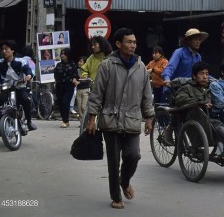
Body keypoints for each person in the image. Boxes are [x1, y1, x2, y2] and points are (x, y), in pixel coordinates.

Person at [86, 28, 154, 210]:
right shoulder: (107, 66)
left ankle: (125, 181)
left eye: (134, 42)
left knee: (134, 155)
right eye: (129, 42)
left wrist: (149, 118)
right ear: (118, 44)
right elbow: (96, 94)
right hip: (110, 119)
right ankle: (116, 197)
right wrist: (91, 119)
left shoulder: (141, 68)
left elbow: (147, 96)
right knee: (114, 161)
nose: (133, 45)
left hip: (132, 119)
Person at [174, 61, 224, 151]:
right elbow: (180, 100)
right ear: (194, 76)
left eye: (207, 74)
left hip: (213, 115)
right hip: (196, 118)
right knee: (216, 123)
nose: (205, 77)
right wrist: (201, 102)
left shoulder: (210, 87)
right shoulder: (186, 87)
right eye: (201, 74)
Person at [0, 40, 37, 134]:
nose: (4, 51)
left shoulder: (21, 61)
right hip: (5, 89)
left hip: (19, 87)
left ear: (12, 50)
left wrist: (28, 76)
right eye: (2, 49)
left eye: (6, 49)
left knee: (26, 100)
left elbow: (28, 70)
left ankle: (29, 122)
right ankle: (1, 127)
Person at [54, 48, 78, 128]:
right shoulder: (58, 65)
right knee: (60, 103)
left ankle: (66, 120)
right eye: (62, 54)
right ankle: (64, 119)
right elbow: (55, 74)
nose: (62, 55)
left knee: (65, 102)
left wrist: (74, 79)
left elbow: (75, 75)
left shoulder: (72, 64)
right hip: (59, 86)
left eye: (64, 54)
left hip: (69, 86)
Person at [74, 56, 91, 127]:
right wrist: (75, 80)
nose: (79, 63)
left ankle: (87, 121)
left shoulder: (87, 71)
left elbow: (87, 80)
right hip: (79, 90)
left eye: (81, 61)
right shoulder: (77, 70)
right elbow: (74, 78)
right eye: (79, 61)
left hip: (85, 90)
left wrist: (78, 82)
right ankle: (82, 123)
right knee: (79, 107)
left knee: (84, 107)